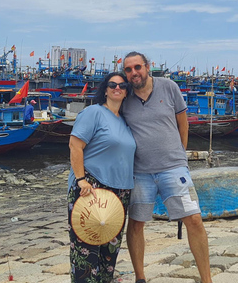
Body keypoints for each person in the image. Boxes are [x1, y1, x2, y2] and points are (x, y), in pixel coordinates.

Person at [122, 51, 212, 283]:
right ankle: (140, 278)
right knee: (136, 223)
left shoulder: (169, 87)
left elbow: (183, 123)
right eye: (129, 69)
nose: (134, 73)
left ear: (147, 67)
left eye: (137, 67)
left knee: (194, 219)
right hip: (140, 172)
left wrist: (180, 155)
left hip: (173, 168)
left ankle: (207, 279)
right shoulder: (125, 97)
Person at [68, 72, 136, 283]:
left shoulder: (124, 121)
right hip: (92, 186)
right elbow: (75, 145)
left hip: (120, 193)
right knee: (86, 252)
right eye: (112, 84)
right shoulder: (94, 112)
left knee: (109, 253)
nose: (117, 88)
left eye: (122, 85)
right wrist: (81, 180)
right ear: (105, 89)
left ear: (127, 92)